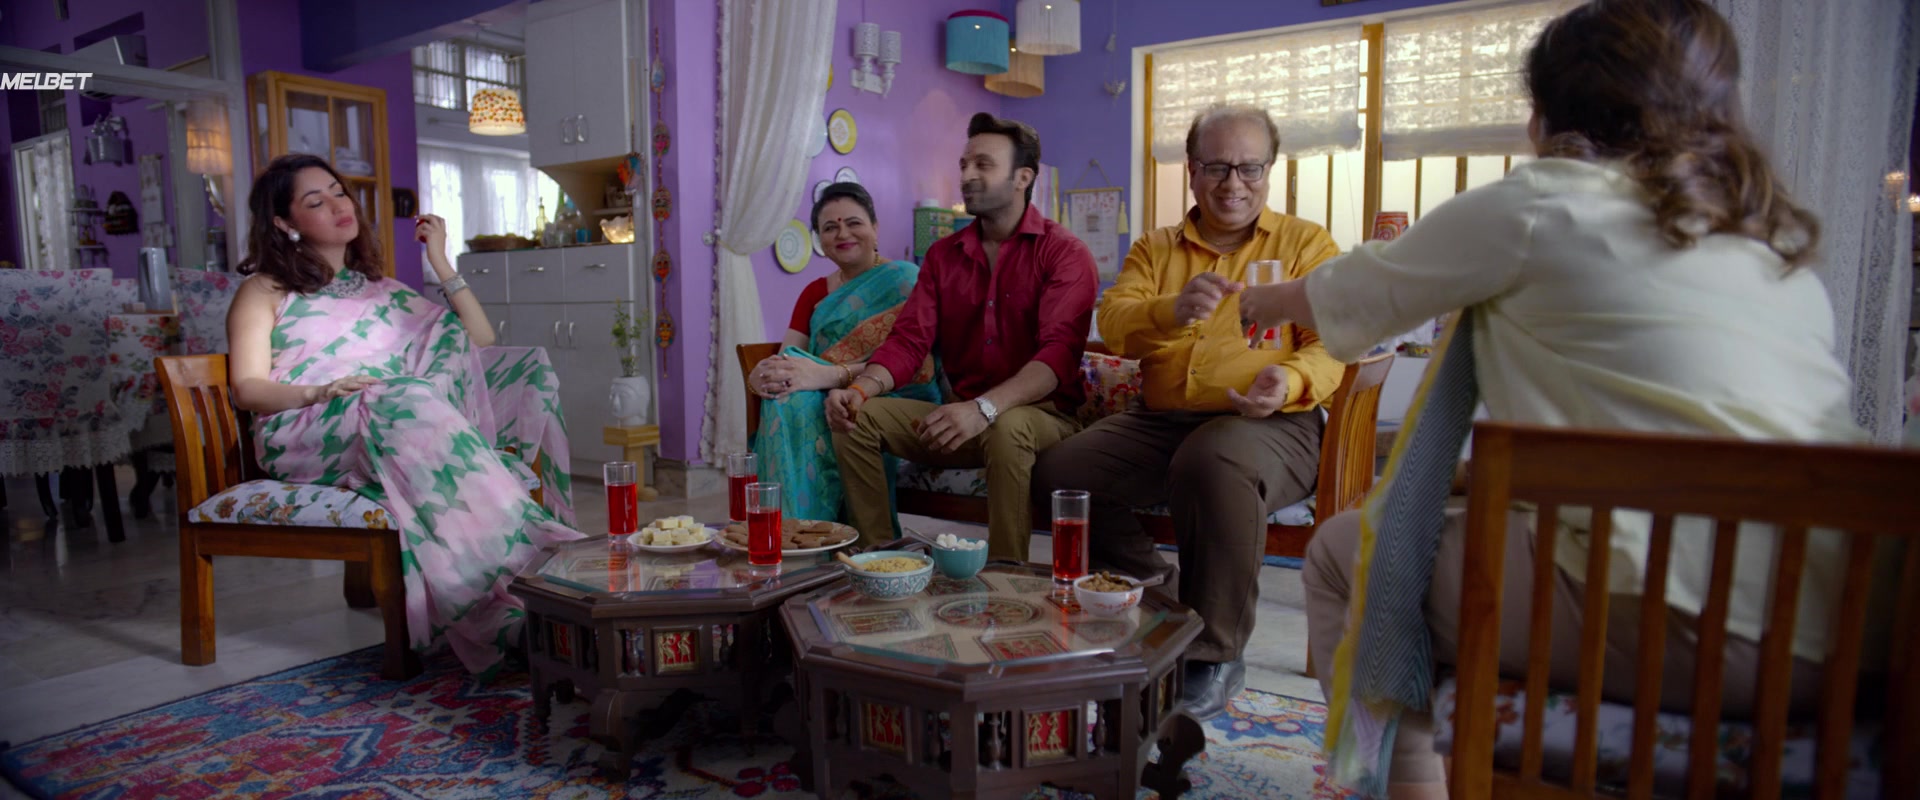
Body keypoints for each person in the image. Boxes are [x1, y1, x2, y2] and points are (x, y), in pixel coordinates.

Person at [1235, 1, 1859, 795]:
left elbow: (1366, 287)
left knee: (1343, 559)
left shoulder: (1544, 203)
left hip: (1690, 628)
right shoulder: (1765, 238)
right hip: (1846, 628)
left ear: (1545, 116)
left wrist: (1264, 301)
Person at [1032, 105, 1347, 721]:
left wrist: (1287, 378)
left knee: (1214, 459)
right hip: (1162, 422)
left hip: (1274, 423)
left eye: (1250, 168)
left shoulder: (1306, 244)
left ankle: (1215, 652)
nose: (1234, 183)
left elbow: (1335, 340)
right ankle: (1160, 595)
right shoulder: (1155, 248)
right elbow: (1114, 323)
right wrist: (1170, 311)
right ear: (1192, 170)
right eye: (1217, 167)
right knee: (1059, 474)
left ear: (1270, 169)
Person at [227, 153, 583, 677]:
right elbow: (246, 388)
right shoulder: (265, 290)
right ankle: (522, 584)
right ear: (284, 223)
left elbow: (479, 339)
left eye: (339, 192)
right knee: (404, 398)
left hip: (395, 418)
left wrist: (441, 261)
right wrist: (319, 391)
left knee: (525, 365)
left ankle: (531, 585)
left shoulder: (383, 291)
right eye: (316, 201)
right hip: (308, 425)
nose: (338, 206)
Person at [827, 112, 1099, 560]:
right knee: (860, 418)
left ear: (1022, 177)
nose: (967, 175)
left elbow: (1058, 355)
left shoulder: (1064, 253)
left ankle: (1007, 577)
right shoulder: (943, 256)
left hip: (1043, 419)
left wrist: (983, 409)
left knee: (1008, 426)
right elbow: (909, 340)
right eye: (964, 164)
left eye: (983, 165)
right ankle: (884, 563)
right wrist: (860, 389)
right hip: (963, 420)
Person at [748, 182, 939, 522]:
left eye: (854, 223)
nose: (843, 234)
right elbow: (789, 359)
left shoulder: (905, 281)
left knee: (814, 406)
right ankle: (798, 535)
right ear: (820, 241)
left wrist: (832, 376)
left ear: (875, 228)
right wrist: (761, 375)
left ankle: (804, 529)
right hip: (823, 397)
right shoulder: (815, 293)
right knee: (789, 399)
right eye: (830, 228)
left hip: (895, 396)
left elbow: (917, 364)